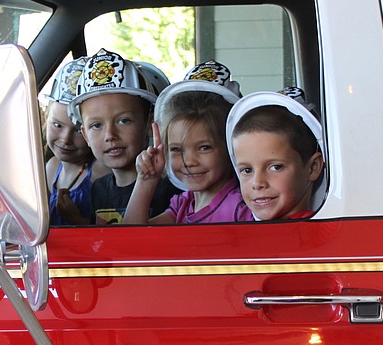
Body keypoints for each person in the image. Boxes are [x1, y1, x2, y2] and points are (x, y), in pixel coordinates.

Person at [125, 60, 250, 225]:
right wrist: (146, 181)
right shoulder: (182, 205)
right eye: (176, 149)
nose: (189, 161)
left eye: (204, 148)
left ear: (230, 147)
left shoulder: (241, 208)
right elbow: (134, 236)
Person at [68, 49, 180, 224]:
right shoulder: (98, 189)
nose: (110, 135)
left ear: (149, 124)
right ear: (85, 135)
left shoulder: (171, 189)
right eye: (96, 125)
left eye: (123, 121)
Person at [226, 87, 325, 221]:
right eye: (247, 170)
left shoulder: (310, 235)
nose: (257, 183)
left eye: (275, 167)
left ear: (313, 167)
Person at [41, 58, 107, 225]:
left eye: (78, 130)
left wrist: (76, 220)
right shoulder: (52, 168)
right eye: (57, 125)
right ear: (46, 118)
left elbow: (107, 237)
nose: (65, 139)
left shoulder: (101, 174)